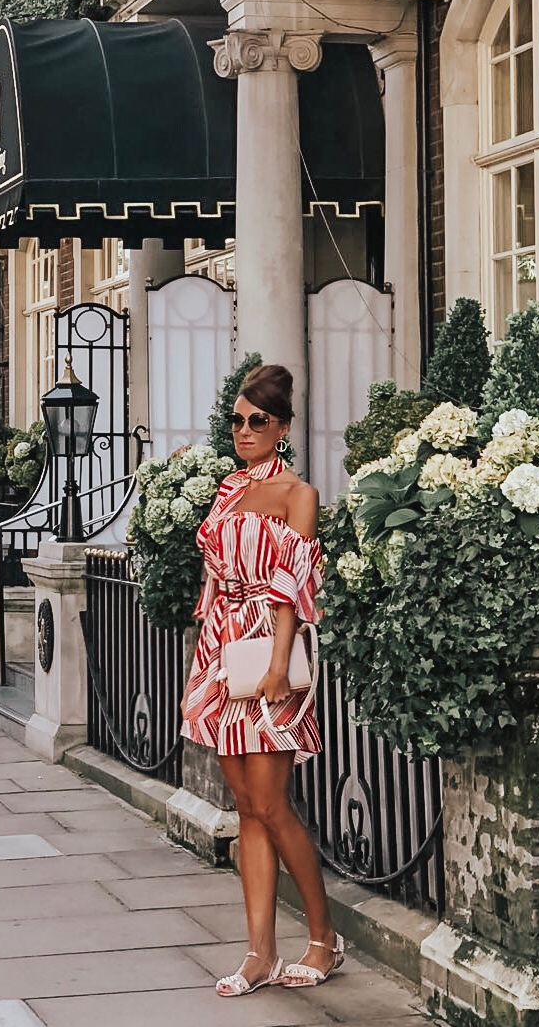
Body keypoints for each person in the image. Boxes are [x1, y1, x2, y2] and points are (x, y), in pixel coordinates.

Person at [181, 362, 343, 997]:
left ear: (283, 427)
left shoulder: (298, 494)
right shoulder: (227, 489)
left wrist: (278, 667)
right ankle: (259, 954)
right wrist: (209, 650)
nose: (244, 430)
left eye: (258, 420)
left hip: (269, 650)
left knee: (273, 805)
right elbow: (215, 573)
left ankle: (323, 940)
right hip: (223, 649)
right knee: (246, 806)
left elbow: (291, 588)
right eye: (237, 421)